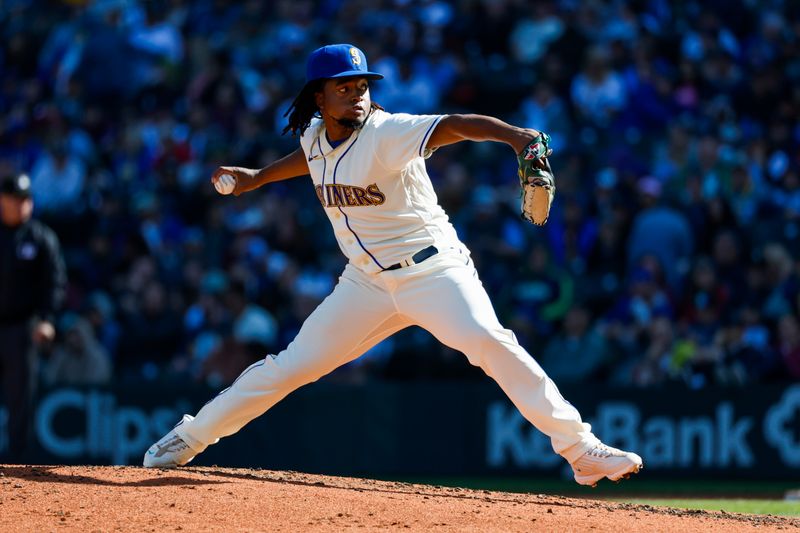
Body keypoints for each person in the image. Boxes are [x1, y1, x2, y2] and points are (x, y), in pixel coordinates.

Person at [144, 44, 643, 487]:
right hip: (365, 284)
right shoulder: (316, 136)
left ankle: (581, 450)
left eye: (363, 85)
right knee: (290, 367)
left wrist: (519, 138)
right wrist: (257, 178)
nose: (358, 95)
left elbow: (452, 127)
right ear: (319, 97)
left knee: (491, 343)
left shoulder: (388, 132)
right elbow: (310, 160)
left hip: (433, 272)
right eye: (345, 87)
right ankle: (189, 438)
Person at [0, 173, 66, 462]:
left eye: (26, 199)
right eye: (17, 199)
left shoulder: (40, 238)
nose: (23, 204)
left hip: (22, 327)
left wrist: (47, 319)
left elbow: (54, 282)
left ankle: (17, 464)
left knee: (20, 398)